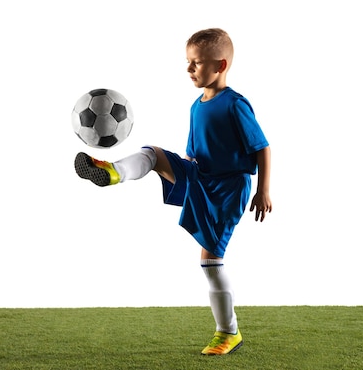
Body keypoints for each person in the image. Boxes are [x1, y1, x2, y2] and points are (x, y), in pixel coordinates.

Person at [74, 28, 272, 355]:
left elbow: (262, 148)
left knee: (210, 261)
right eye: (188, 62)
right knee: (153, 153)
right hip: (200, 175)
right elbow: (194, 150)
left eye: (196, 63)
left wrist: (263, 191)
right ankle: (112, 172)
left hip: (228, 189)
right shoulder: (197, 105)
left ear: (220, 65)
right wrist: (183, 166)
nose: (189, 69)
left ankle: (228, 332)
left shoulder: (236, 105)